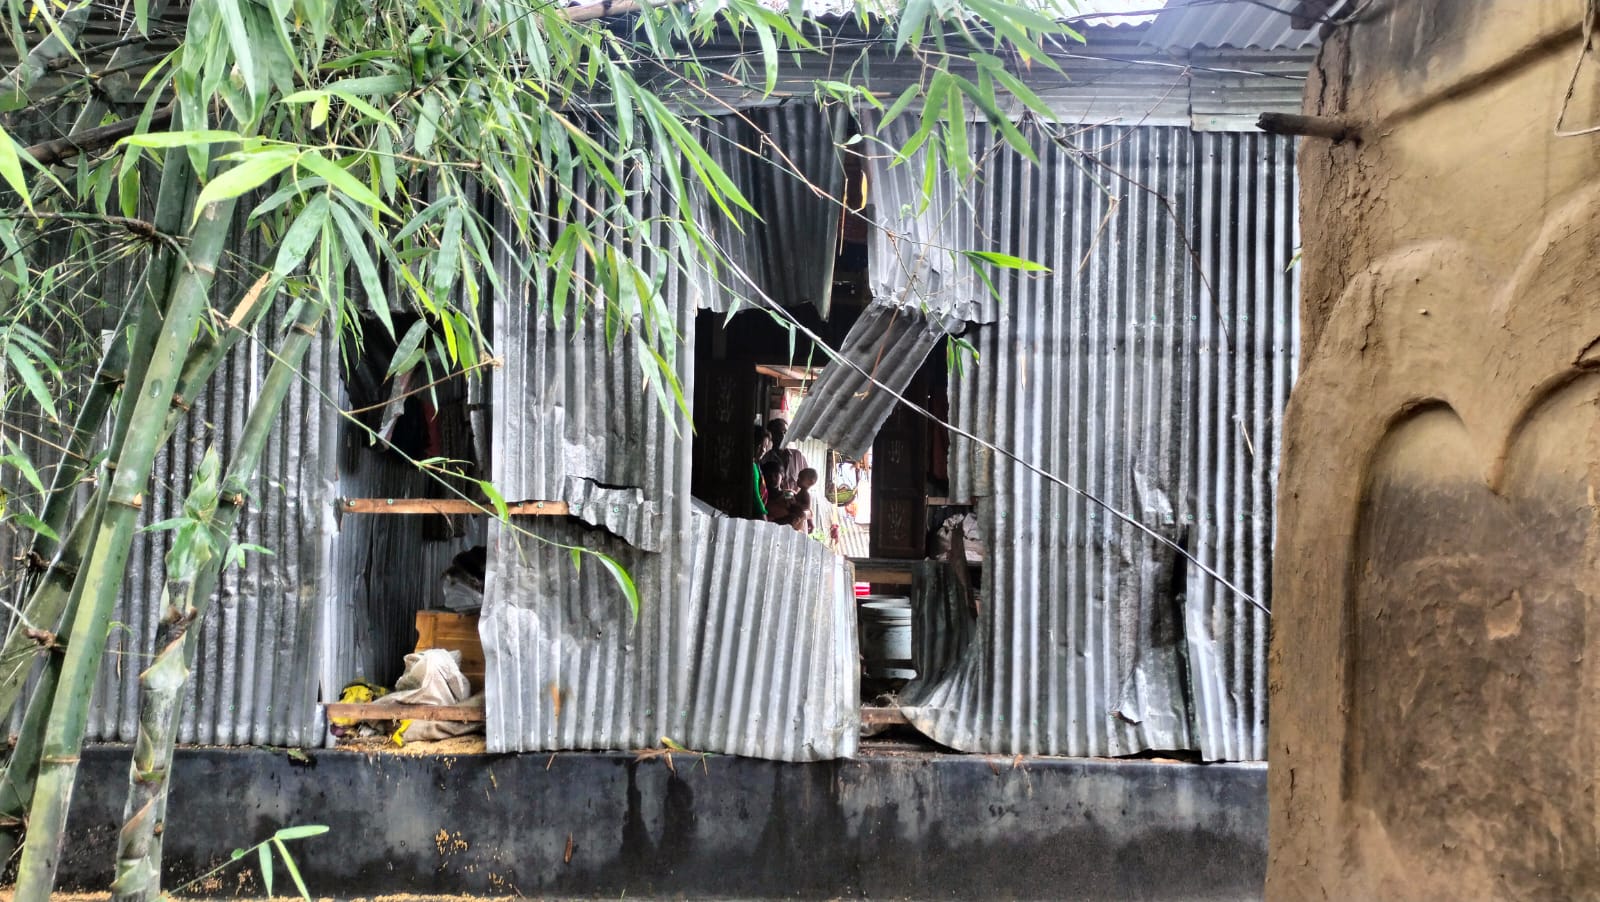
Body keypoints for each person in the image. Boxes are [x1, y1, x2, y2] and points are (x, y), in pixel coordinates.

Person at [761, 417, 809, 493]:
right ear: (771, 436)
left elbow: (808, 482)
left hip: (796, 499)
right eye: (778, 433)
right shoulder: (765, 460)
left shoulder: (798, 456)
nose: (783, 436)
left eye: (785, 432)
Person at [751, 425, 771, 518]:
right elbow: (756, 497)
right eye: (760, 445)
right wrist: (764, 518)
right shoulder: (752, 467)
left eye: (765, 446)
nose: (763, 450)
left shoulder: (756, 465)